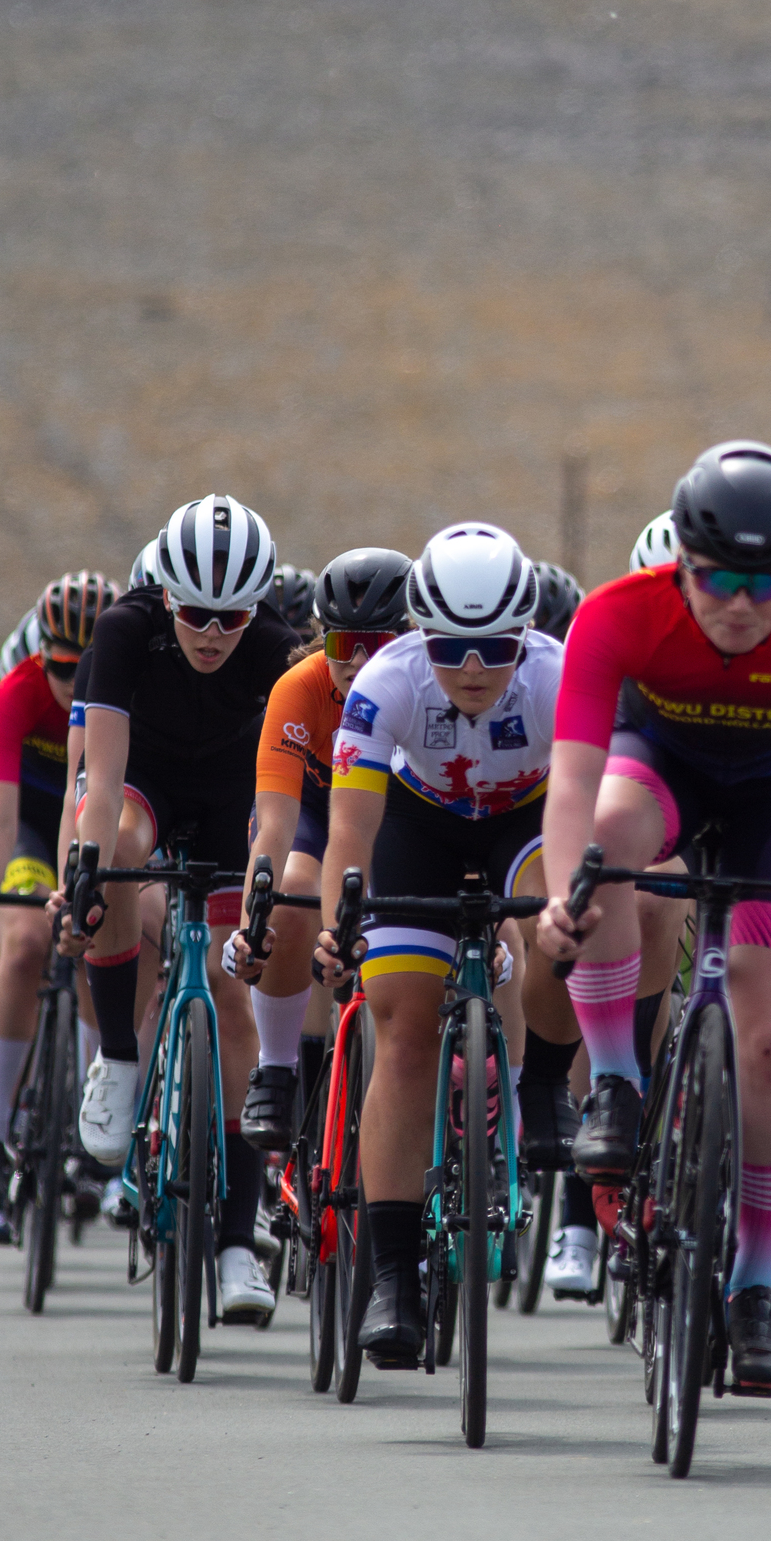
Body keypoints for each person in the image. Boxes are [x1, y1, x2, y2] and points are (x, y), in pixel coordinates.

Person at [535, 442, 771, 1398]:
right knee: (609, 838)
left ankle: (753, 1288)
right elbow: (573, 779)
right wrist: (562, 895)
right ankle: (615, 1080)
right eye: (717, 580)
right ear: (680, 566)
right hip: (666, 775)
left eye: (765, 583)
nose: (741, 605)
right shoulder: (619, 613)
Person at [316, 525, 579, 1368]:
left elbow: (580, 817)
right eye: (451, 648)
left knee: (567, 925)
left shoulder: (557, 678)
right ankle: (393, 1272)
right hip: (418, 827)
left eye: (495, 647)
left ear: (526, 636)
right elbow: (351, 832)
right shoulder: (386, 682)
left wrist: (567, 909)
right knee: (399, 1023)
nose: (472, 668)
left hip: (529, 821)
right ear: (418, 635)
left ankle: (542, 1085)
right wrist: (336, 928)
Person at [69, 494, 295, 1323]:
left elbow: (283, 795)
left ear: (257, 610)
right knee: (118, 850)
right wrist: (88, 873)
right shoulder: (125, 630)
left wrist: (271, 887)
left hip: (237, 790)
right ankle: (122, 1061)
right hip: (149, 780)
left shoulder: (276, 649)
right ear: (166, 594)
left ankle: (239, 1241)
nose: (210, 632)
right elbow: (98, 783)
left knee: (236, 997)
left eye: (231, 617)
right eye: (195, 612)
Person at [225, 548, 413, 1151]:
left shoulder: (424, 692)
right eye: (341, 645)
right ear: (321, 641)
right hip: (311, 809)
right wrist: (255, 918)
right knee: (295, 890)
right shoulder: (298, 689)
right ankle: (277, 1068)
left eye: (376, 646)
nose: (357, 664)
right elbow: (275, 827)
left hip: (392, 813)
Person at [0, 573, 118, 1226]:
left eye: (90, 669)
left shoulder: (126, 694)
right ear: (38, 654)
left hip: (94, 815)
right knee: (21, 942)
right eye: (61, 667)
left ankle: (88, 1120)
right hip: (30, 817)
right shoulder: (16, 693)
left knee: (100, 943)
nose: (74, 682)